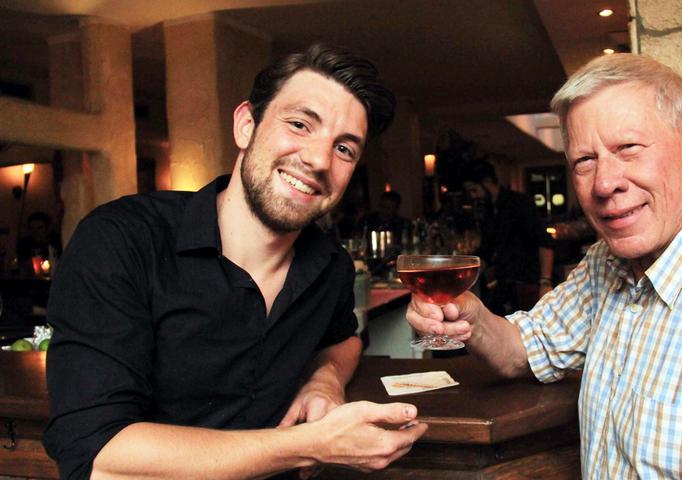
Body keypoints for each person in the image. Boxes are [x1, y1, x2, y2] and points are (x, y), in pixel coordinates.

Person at [407, 53, 682, 478]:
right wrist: (471, 316)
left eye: (629, 148)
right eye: (585, 160)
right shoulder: (610, 262)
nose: (604, 183)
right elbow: (528, 348)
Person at [44, 44, 427, 480]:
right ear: (246, 125)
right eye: (300, 124)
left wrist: (326, 380)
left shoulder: (330, 267)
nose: (319, 160)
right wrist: (309, 446)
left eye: (344, 150)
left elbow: (343, 339)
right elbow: (97, 459)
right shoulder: (123, 239)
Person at [460, 159, 555, 314]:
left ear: (487, 182)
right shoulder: (489, 211)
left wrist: (545, 283)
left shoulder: (520, 203)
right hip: (505, 285)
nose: (473, 196)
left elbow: (545, 243)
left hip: (528, 283)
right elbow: (488, 250)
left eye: (474, 190)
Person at [15, 211, 62, 277]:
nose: (35, 232)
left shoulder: (56, 242)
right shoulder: (25, 244)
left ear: (47, 228)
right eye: (32, 228)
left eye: (39, 228)